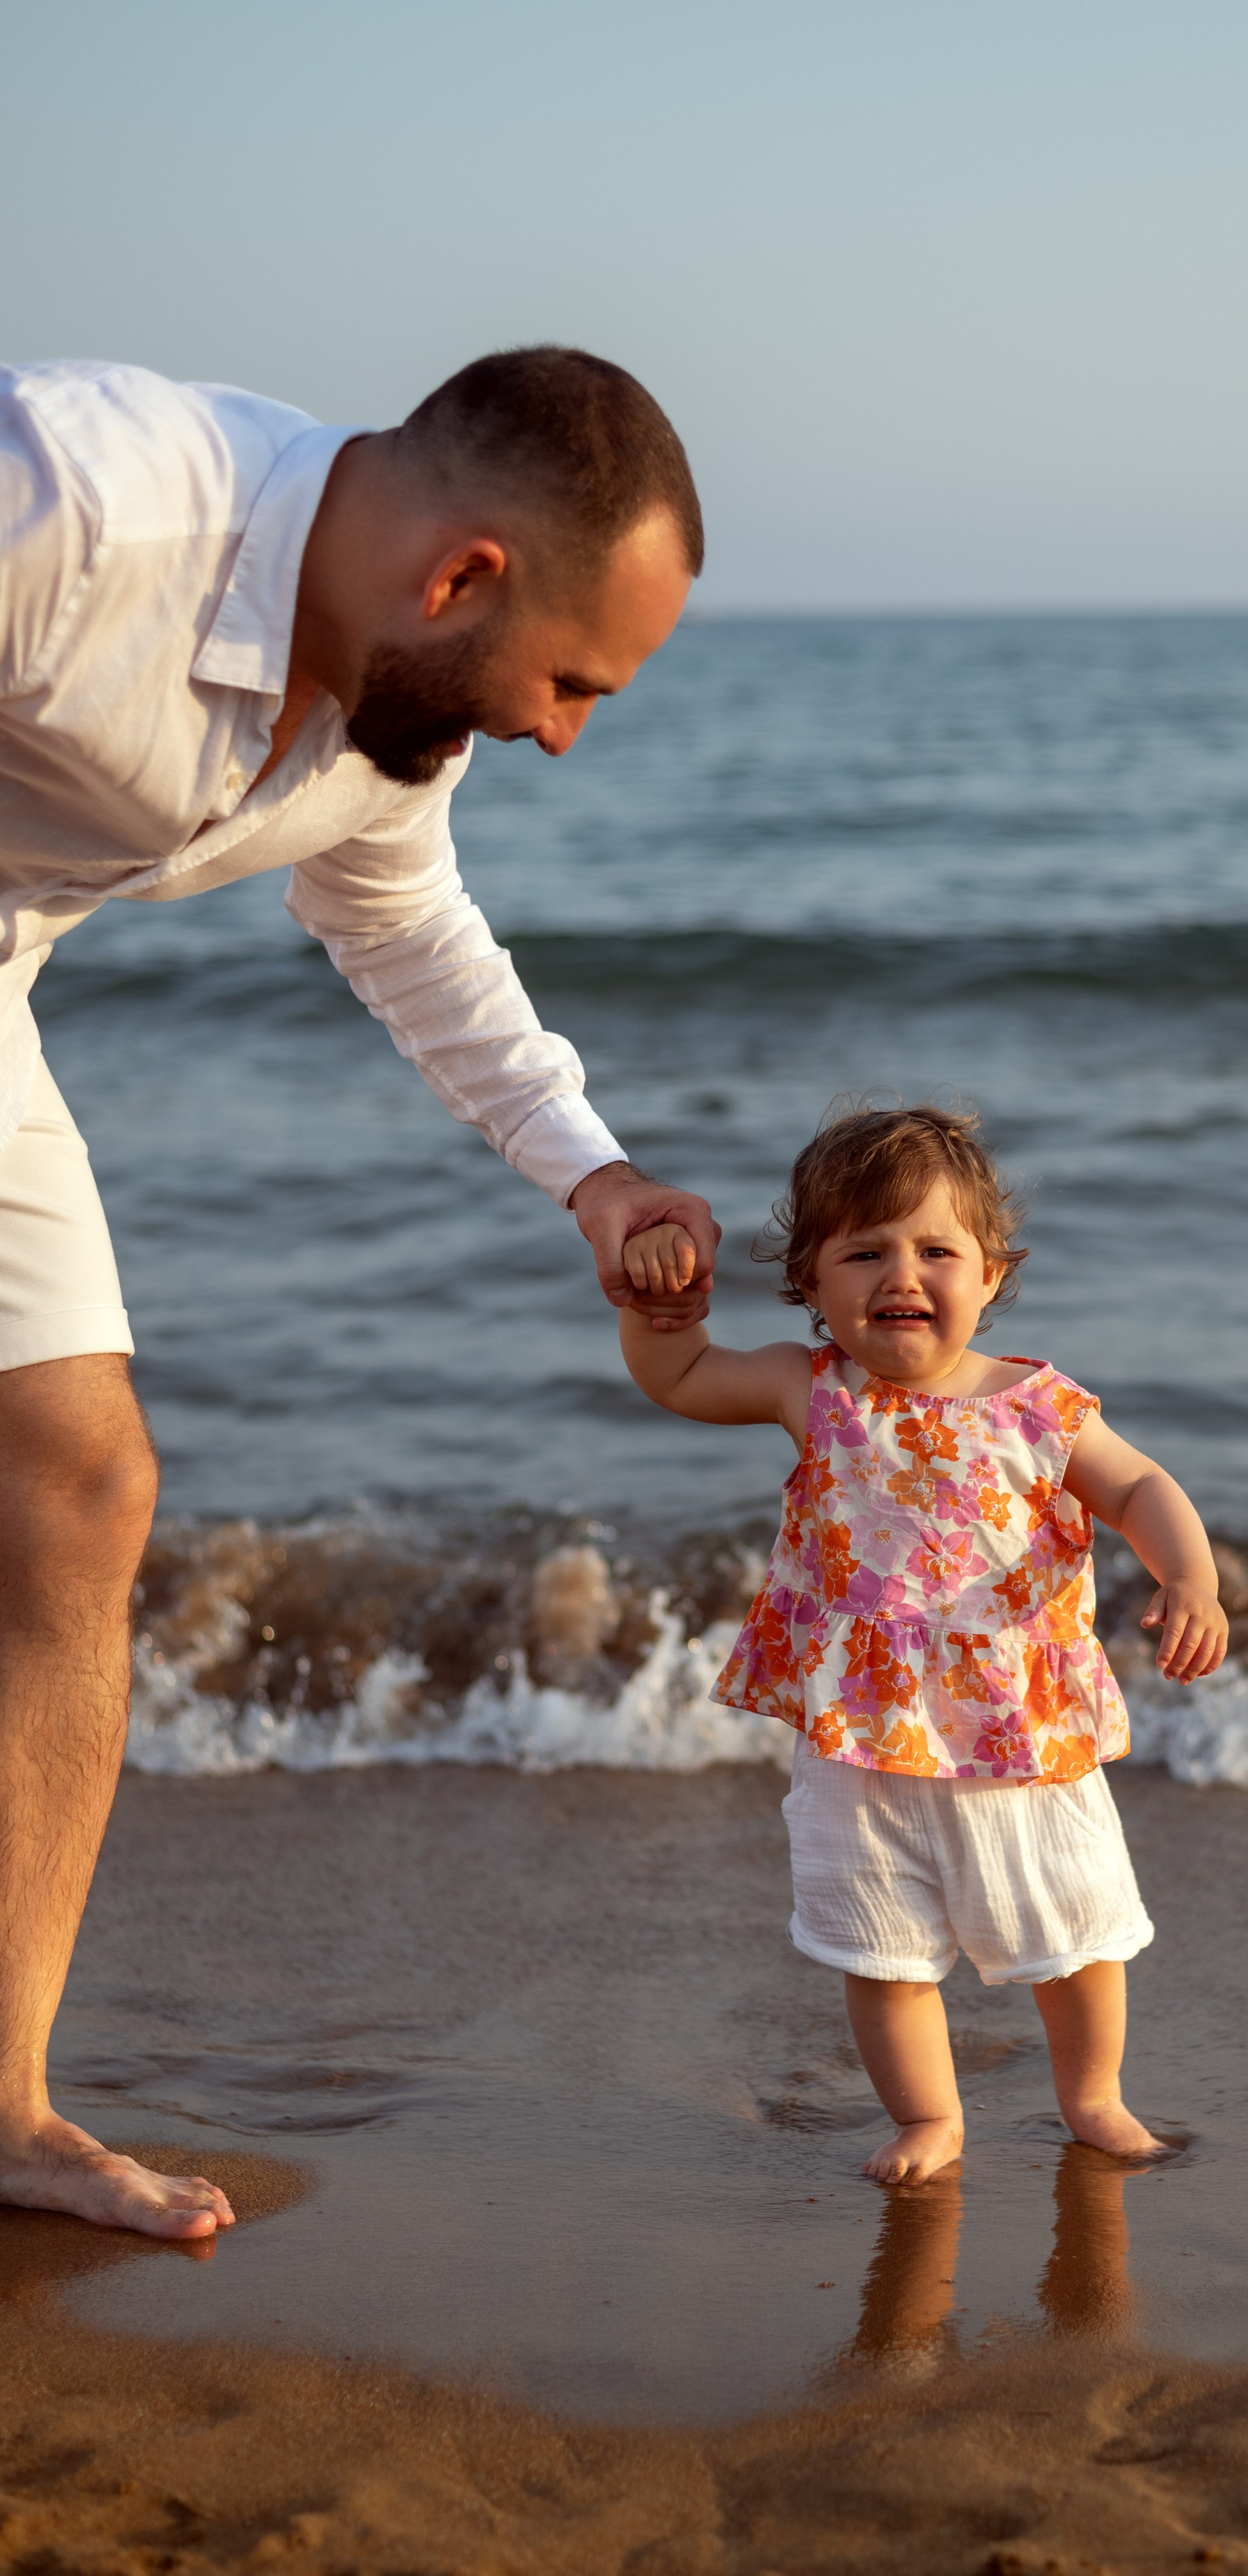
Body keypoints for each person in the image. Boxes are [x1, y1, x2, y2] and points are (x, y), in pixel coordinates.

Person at [0, 346, 720, 2238]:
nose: (565, 736)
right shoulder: (75, 501)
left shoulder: (388, 730)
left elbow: (404, 930)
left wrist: (595, 1174)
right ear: (461, 576)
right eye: (572, 681)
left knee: (80, 1492)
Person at [617, 1101, 1228, 2185]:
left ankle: (1093, 2096)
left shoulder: (1038, 1406)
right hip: (863, 1739)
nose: (902, 1273)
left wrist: (1189, 1574)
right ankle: (929, 2118)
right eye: (864, 1252)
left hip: (1021, 1736)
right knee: (880, 1951)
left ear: (991, 1273)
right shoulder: (809, 1392)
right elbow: (678, 1379)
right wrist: (656, 1305)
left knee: (1076, 1933)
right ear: (810, 1283)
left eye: (935, 1249)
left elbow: (1138, 1484)